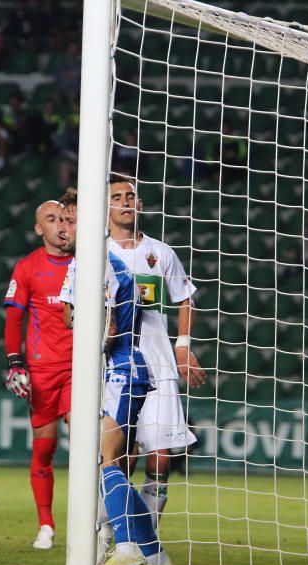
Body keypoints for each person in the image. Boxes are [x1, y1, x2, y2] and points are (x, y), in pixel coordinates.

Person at [60, 246, 175, 565]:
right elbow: (68, 315)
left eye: (71, 220)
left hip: (122, 370)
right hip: (109, 371)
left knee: (107, 460)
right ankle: (158, 561)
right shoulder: (81, 263)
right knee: (105, 462)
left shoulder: (107, 267)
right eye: (61, 220)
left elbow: (108, 327)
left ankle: (127, 547)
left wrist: (89, 334)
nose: (65, 228)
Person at [105, 175, 204, 535]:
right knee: (119, 455)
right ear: (107, 207)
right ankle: (109, 536)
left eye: (131, 195)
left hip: (158, 364)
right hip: (114, 365)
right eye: (117, 196)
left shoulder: (160, 252)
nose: (126, 201)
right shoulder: (98, 253)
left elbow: (185, 299)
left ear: (140, 205)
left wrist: (182, 347)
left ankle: (147, 543)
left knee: (160, 455)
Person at [3, 196, 76, 549]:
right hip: (43, 369)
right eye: (51, 219)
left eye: (65, 218)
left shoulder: (88, 262)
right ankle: (45, 524)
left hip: (82, 367)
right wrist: (15, 361)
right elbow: (14, 318)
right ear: (38, 229)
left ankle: (95, 523)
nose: (61, 225)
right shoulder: (28, 267)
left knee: (86, 446)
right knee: (44, 450)